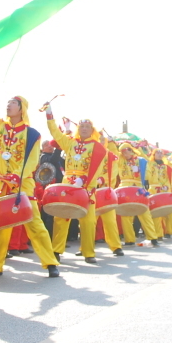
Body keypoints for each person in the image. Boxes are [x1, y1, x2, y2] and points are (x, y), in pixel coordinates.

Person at [0, 93, 61, 278]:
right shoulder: (0, 127)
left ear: (21, 108)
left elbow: (32, 160)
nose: (8, 105)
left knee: (34, 224)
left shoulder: (32, 134)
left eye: (13, 103)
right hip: (2, 183)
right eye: (7, 103)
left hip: (23, 183)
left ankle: (50, 262)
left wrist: (19, 175)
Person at [44, 105, 119, 262]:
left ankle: (88, 252)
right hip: (68, 185)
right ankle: (56, 250)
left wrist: (85, 181)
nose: (84, 128)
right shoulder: (70, 143)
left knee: (88, 221)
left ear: (92, 130)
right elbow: (55, 133)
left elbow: (100, 168)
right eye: (82, 126)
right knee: (61, 218)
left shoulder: (98, 147)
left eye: (88, 126)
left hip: (87, 188)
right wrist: (50, 114)